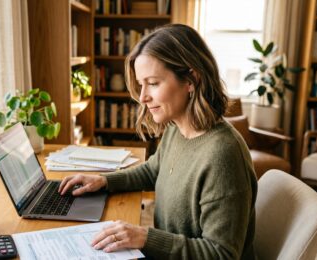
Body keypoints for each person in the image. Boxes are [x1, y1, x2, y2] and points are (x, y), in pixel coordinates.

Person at [59, 24, 257, 259]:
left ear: (191, 79)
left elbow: (221, 253)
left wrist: (145, 237)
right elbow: (153, 171)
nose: (143, 97)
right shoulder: (177, 127)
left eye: (153, 83)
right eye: (141, 84)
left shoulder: (223, 155)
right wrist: (102, 181)